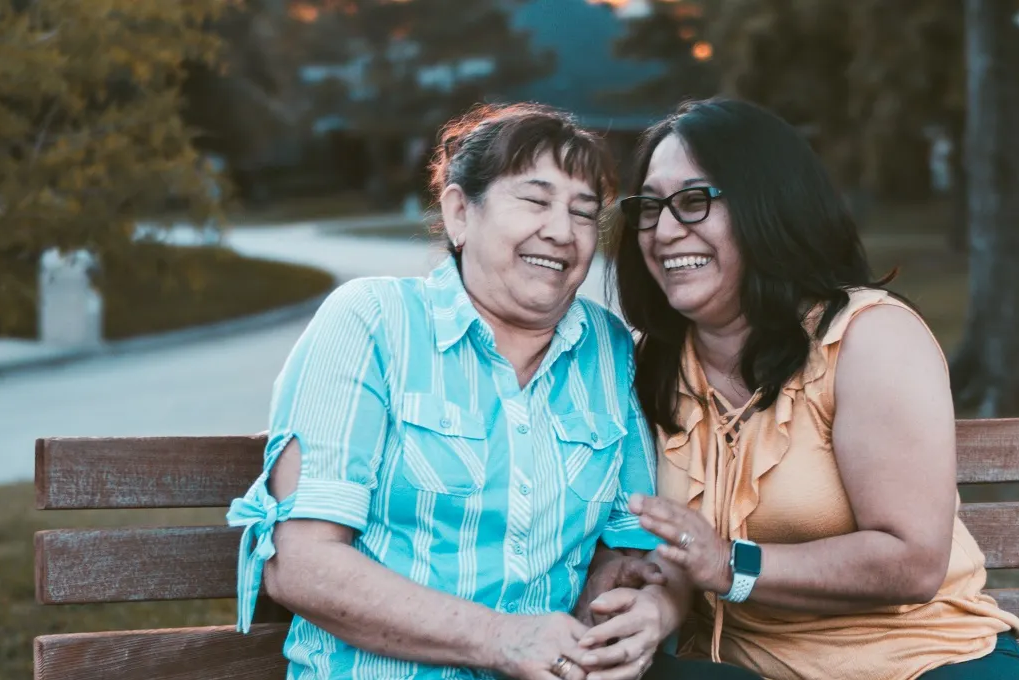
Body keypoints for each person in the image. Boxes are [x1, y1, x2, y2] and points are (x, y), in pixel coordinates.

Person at [224, 102, 748, 680]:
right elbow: (302, 565)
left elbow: (630, 548)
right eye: (534, 200)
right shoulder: (373, 322)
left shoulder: (608, 348)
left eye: (583, 212)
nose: (561, 231)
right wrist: (503, 639)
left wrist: (640, 600)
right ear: (458, 214)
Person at [598, 97, 1019, 679]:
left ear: (768, 207)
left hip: (920, 663)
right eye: (649, 207)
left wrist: (731, 564)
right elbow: (656, 546)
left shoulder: (868, 339)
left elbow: (911, 561)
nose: (665, 229)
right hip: (740, 668)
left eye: (695, 201)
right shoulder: (651, 362)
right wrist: (640, 589)